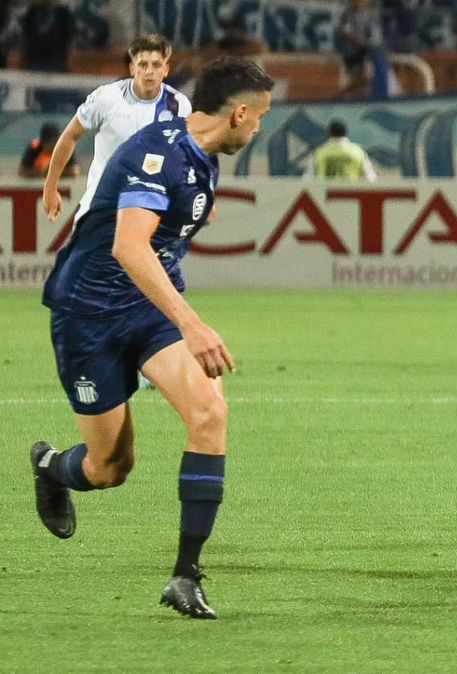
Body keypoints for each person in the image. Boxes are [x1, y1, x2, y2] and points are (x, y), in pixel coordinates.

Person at [32, 56, 275, 620]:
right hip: (87, 314)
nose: (260, 128)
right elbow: (128, 246)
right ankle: (50, 467)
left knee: (210, 413)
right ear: (239, 114)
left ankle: (185, 576)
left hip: (147, 309)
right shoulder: (158, 153)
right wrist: (193, 324)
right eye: (260, 117)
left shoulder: (203, 156)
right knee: (110, 467)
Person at [41, 34, 191, 224]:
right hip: (101, 207)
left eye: (156, 65)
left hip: (149, 211)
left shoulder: (179, 106)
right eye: (143, 64)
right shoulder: (106, 98)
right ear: (132, 68)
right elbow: (70, 135)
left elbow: (186, 155)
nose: (149, 71)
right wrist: (50, 187)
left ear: (166, 69)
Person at [306, 119, 378, 181]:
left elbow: (308, 179)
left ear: (329, 133)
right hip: (350, 191)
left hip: (323, 192)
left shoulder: (319, 152)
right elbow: (370, 178)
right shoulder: (358, 152)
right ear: (346, 132)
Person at [18, 0, 74, 72]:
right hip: (33, 61)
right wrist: (23, 60)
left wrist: (68, 62)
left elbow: (69, 39)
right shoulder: (32, 12)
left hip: (56, 63)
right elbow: (25, 37)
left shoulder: (64, 13)